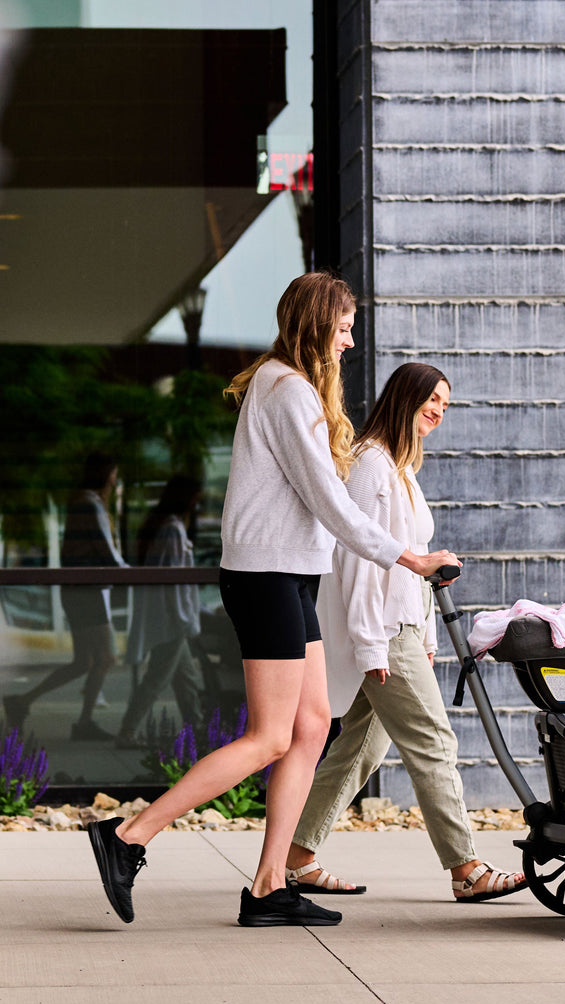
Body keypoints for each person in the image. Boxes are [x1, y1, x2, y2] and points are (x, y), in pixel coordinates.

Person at [85, 272, 460, 927]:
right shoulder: (286, 390)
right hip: (264, 579)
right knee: (268, 736)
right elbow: (329, 501)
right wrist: (411, 557)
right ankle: (127, 837)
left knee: (312, 726)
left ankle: (267, 886)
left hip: (287, 578)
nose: (349, 341)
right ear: (316, 325)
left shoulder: (294, 388)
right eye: (343, 328)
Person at [286, 363, 527, 903]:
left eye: (446, 403)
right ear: (406, 396)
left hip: (402, 628)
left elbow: (410, 563)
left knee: (360, 749)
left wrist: (426, 635)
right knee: (434, 741)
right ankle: (466, 869)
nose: (439, 410)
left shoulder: (400, 467)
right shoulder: (371, 463)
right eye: (432, 398)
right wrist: (372, 644)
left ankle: (297, 856)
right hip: (381, 631)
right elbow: (357, 561)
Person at [3, 452, 128, 740]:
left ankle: (23, 701)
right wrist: (131, 573)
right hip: (85, 592)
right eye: (113, 474)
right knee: (105, 657)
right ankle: (82, 722)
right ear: (104, 475)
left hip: (80, 591)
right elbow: (105, 550)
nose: (114, 481)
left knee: (86, 661)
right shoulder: (89, 504)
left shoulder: (83, 502)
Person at [116, 475, 205, 749]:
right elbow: (175, 580)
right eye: (195, 500)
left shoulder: (165, 526)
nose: (197, 506)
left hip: (171, 619)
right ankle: (128, 731)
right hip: (172, 621)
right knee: (157, 679)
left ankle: (198, 731)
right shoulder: (172, 530)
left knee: (187, 679)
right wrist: (186, 621)